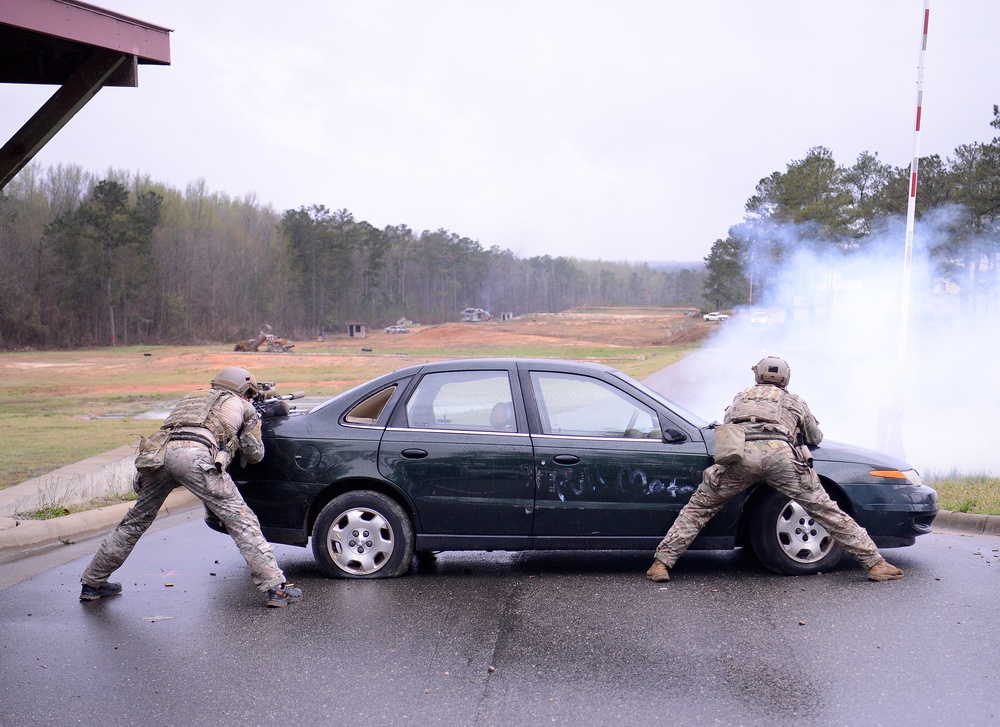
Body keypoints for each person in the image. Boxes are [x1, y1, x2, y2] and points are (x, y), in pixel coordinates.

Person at [646, 355, 904, 583]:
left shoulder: (739, 398)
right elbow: (815, 437)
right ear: (786, 379)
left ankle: (661, 564)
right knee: (825, 510)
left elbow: (728, 427)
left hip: (740, 458)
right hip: (781, 459)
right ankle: (875, 563)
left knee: (699, 508)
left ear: (757, 376)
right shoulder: (794, 401)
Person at [80, 366, 303, 607]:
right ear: (244, 390)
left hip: (157, 458)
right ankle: (276, 588)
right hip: (193, 457)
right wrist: (254, 422)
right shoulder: (244, 406)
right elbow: (254, 455)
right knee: (242, 520)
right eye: (250, 394)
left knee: (134, 522)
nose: (250, 399)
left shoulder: (192, 398)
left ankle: (92, 583)